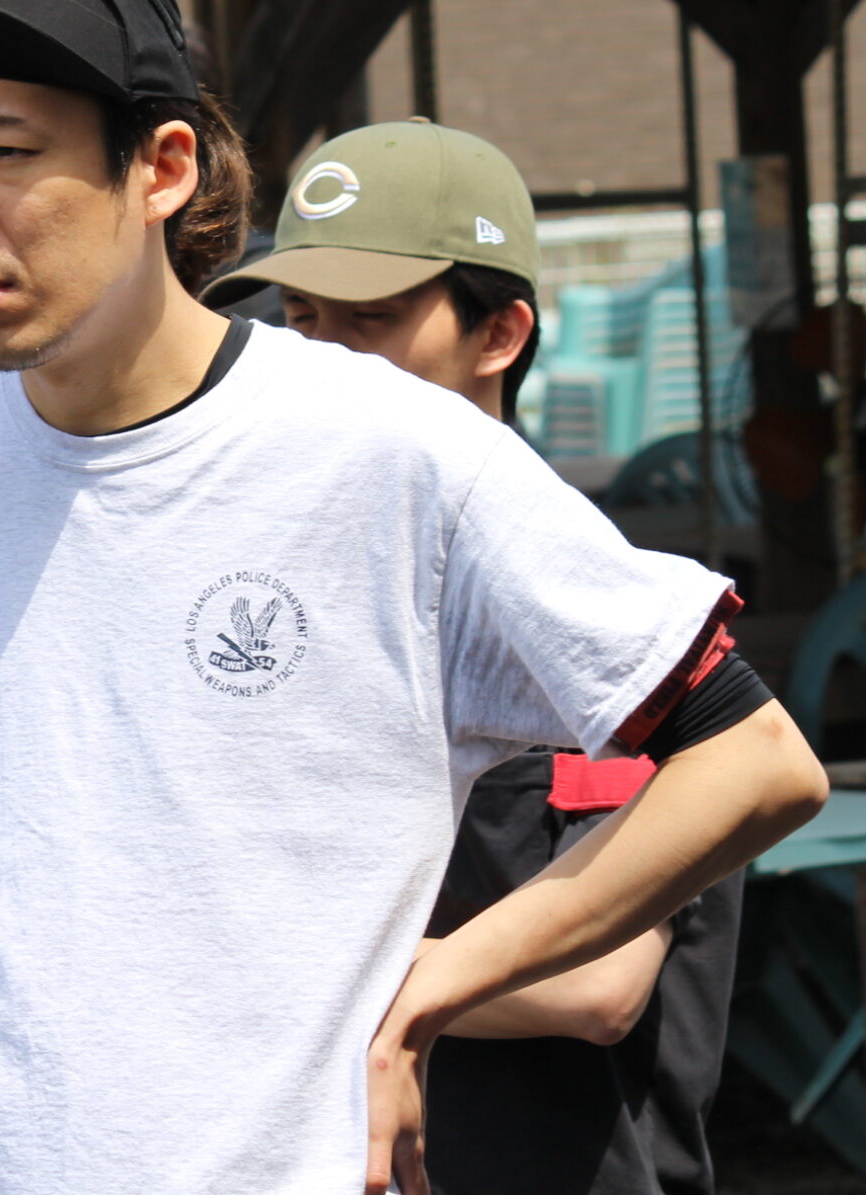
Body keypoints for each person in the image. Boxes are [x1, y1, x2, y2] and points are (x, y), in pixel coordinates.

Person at [0, 0, 827, 1195]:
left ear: (162, 167)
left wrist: (432, 986)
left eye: (3, 150)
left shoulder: (397, 456)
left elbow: (752, 758)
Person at [208, 118, 745, 1195]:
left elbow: (597, 983)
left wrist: (237, 964)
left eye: (369, 320)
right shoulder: (282, 597)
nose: (320, 360)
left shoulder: (589, 602)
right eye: (300, 320)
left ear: (499, 333)